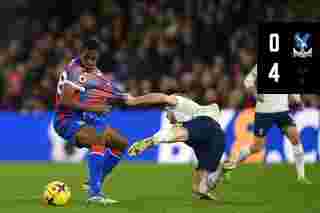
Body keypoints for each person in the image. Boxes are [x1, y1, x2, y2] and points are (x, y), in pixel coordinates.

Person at [53, 39, 129, 205]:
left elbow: (105, 89)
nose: (90, 62)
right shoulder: (75, 71)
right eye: (87, 58)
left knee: (121, 143)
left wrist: (122, 96)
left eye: (94, 59)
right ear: (81, 52)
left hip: (84, 117)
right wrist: (94, 108)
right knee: (98, 138)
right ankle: (95, 193)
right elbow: (65, 101)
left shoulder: (94, 70)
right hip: (65, 120)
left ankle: (94, 182)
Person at [125, 93, 226, 199]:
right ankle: (213, 178)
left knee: (179, 132)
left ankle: (153, 140)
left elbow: (160, 97)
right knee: (201, 184)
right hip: (217, 138)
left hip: (205, 125)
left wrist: (134, 100)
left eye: (166, 111)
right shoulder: (191, 116)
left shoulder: (183, 103)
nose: (166, 116)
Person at [224, 64, 311, 184]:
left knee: (295, 138)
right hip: (264, 111)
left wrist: (298, 100)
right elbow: (248, 81)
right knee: (256, 147)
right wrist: (255, 93)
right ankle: (229, 165)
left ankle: (301, 177)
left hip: (282, 111)